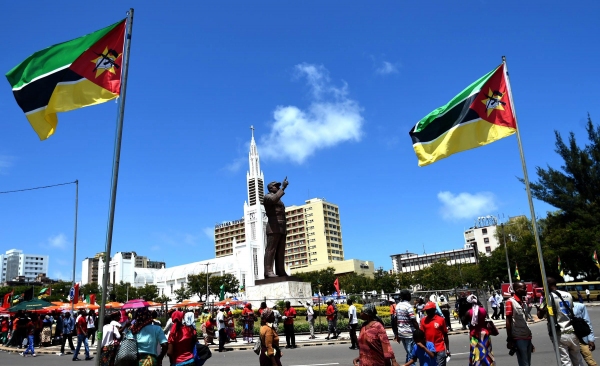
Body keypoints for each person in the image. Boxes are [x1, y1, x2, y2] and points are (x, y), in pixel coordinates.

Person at [537, 277, 585, 366]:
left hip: (560, 333)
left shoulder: (549, 297)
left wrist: (543, 297)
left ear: (547, 285)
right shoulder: (568, 294)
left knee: (565, 361)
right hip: (573, 331)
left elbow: (539, 315)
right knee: (577, 360)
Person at [263, 178, 289, 277]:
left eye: (279, 186)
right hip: (273, 227)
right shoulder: (268, 197)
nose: (278, 187)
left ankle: (280, 270)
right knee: (271, 249)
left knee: (280, 250)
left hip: (281, 227)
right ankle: (268, 271)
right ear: (270, 188)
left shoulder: (279, 201)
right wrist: (283, 187)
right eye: (276, 186)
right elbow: (274, 199)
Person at [506, 281, 533, 366]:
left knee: (528, 362)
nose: (526, 290)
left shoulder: (523, 302)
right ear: (517, 290)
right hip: (518, 337)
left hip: (527, 336)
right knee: (524, 363)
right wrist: (510, 338)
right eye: (524, 288)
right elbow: (508, 321)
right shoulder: (510, 302)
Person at [464, 295, 495, 365]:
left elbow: (464, 321)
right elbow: (486, 319)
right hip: (485, 333)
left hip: (474, 334)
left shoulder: (469, 312)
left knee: (475, 351)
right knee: (487, 351)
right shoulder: (483, 310)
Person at [420, 301, 449, 366]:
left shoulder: (441, 320)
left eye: (429, 310)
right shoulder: (423, 321)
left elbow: (445, 335)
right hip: (429, 349)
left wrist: (447, 349)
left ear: (433, 310)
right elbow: (421, 335)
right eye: (426, 311)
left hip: (440, 348)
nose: (427, 312)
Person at [397, 289, 419, 363]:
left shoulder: (398, 305)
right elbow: (413, 320)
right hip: (409, 333)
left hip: (401, 333)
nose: (410, 296)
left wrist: (396, 334)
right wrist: (419, 330)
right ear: (406, 296)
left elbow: (394, 320)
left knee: (408, 352)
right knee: (412, 355)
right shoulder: (408, 306)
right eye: (409, 294)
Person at [574, 302, 597, 366]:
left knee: (590, 361)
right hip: (568, 339)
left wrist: (591, 339)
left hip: (582, 339)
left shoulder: (579, 306)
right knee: (575, 362)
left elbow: (587, 322)